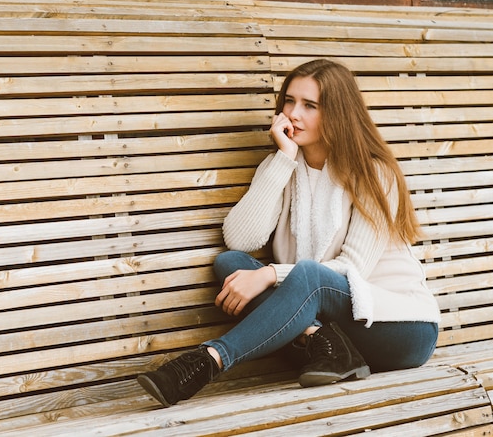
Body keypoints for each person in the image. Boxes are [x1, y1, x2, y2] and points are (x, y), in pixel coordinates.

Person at [137, 59, 440, 408]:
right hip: (336, 331)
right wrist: (283, 160)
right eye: (290, 102)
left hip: (400, 326)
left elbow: (351, 269)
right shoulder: (284, 165)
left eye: (310, 106)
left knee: (308, 274)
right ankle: (323, 343)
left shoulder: (374, 173)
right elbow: (240, 239)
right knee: (231, 263)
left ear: (337, 114)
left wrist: (269, 274)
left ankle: (206, 362)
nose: (294, 114)